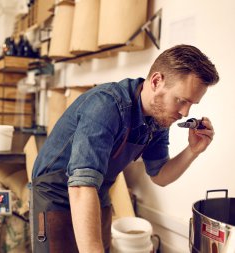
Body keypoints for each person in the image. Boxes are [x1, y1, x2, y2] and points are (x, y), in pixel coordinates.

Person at [30, 44, 219, 253]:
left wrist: (192, 151)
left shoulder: (158, 120)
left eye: (192, 104)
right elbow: (81, 186)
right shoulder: (106, 105)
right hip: (56, 194)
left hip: (97, 193)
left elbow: (160, 176)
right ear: (156, 81)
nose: (185, 112)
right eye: (181, 101)